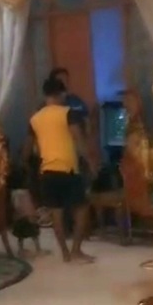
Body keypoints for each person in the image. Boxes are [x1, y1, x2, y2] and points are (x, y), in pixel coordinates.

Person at [23, 77, 96, 264]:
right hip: (68, 169)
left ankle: (65, 253)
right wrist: (91, 162)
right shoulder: (68, 113)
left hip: (47, 171)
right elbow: (79, 141)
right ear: (62, 93)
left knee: (56, 213)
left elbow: (29, 147)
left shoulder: (35, 119)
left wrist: (25, 164)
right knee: (82, 208)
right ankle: (76, 250)